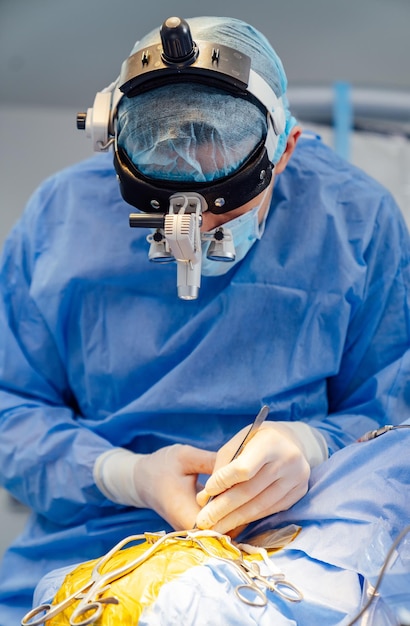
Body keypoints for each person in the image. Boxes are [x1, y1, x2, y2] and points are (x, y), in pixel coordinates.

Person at [0, 15, 409, 624]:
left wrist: (310, 444)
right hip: (93, 548)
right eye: (164, 208)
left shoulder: (356, 219)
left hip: (297, 540)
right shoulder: (61, 218)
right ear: (118, 145)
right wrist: (123, 475)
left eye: (226, 206)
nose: (195, 234)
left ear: (286, 148)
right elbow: (12, 408)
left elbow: (391, 411)